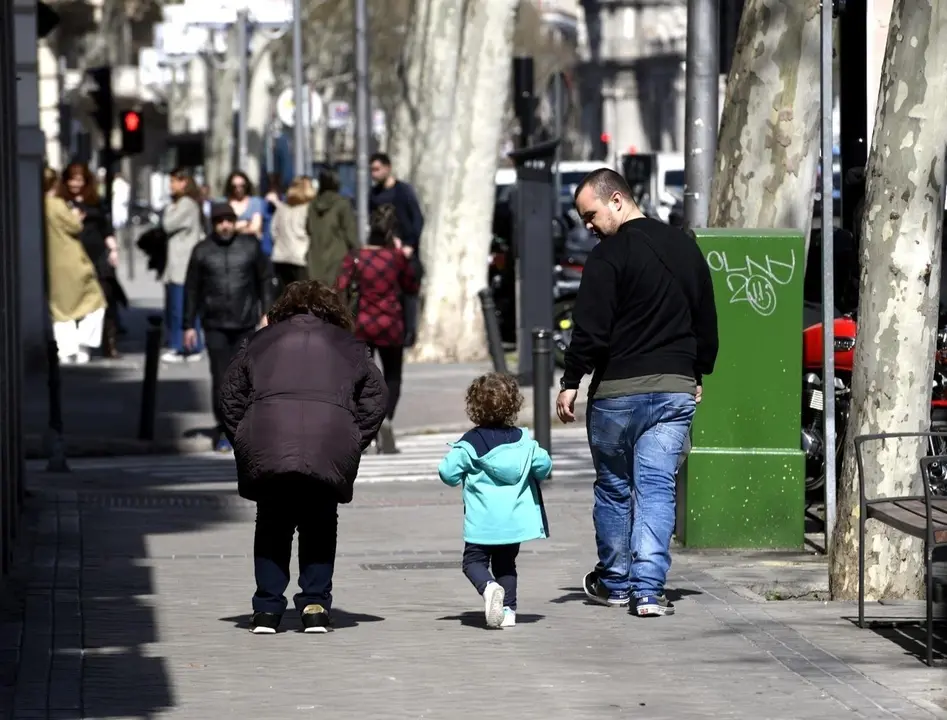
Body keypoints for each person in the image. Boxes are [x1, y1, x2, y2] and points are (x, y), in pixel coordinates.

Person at [556, 168, 718, 617]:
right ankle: (648, 591)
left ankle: (615, 582)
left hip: (617, 394)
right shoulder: (686, 248)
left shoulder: (608, 258)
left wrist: (572, 381)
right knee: (656, 488)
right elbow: (705, 318)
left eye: (591, 214)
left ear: (617, 201)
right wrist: (698, 371)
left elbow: (590, 328)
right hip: (674, 391)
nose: (587, 226)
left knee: (614, 487)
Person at [219, 280, 388, 634]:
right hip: (328, 441)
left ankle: (266, 609)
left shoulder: (260, 341)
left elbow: (230, 395)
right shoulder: (351, 347)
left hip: (269, 440)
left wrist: (246, 436)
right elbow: (375, 398)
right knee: (320, 522)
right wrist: (352, 438)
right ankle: (314, 605)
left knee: (271, 523)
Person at [438, 373, 552, 629]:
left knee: (473, 563)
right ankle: (509, 612)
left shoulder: (470, 443)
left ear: (474, 407)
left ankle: (488, 588)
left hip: (482, 523)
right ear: (513, 405)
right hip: (513, 523)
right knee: (506, 564)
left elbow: (447, 473)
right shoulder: (524, 442)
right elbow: (544, 465)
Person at [183, 202, 276, 452]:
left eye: (228, 220)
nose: (225, 225)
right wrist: (188, 324)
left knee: (244, 378)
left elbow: (265, 279)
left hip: (245, 323)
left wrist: (266, 312)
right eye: (220, 220)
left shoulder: (250, 247)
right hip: (214, 324)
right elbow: (191, 289)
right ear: (213, 224)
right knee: (221, 379)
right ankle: (225, 429)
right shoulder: (202, 251)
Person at [335, 204, 419, 454]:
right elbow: (411, 286)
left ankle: (365, 426)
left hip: (363, 324)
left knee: (361, 377)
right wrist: (403, 254)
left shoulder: (356, 256)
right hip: (391, 324)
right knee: (393, 375)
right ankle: (387, 420)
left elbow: (340, 285)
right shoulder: (396, 258)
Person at [59, 162, 126, 359]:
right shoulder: (61, 202)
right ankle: (77, 346)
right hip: (73, 258)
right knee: (76, 300)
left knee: (105, 298)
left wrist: (113, 249)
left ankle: (109, 345)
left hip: (97, 257)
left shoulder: (95, 201)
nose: (75, 184)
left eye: (79, 179)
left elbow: (106, 228)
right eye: (72, 179)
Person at [43, 167, 107, 364]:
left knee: (62, 309)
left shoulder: (38, 204)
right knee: (96, 302)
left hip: (52, 263)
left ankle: (65, 350)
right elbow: (74, 225)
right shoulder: (55, 204)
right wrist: (77, 217)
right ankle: (81, 345)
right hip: (71, 261)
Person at [369, 153, 425, 347]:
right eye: (371, 170)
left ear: (388, 167)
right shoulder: (374, 194)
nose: (373, 174)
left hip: (407, 252)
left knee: (409, 293)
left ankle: (410, 334)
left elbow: (417, 219)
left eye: (377, 169)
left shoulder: (403, 191)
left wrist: (409, 244)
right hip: (385, 253)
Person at [161, 168, 205, 363]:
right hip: (179, 263)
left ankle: (181, 346)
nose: (171, 185)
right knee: (184, 306)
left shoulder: (186, 204)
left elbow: (167, 224)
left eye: (174, 181)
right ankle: (190, 346)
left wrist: (168, 208)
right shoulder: (188, 203)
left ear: (184, 182)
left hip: (182, 264)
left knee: (180, 307)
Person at [306, 169, 359, 286]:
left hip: (315, 258)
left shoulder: (312, 205)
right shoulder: (342, 204)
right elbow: (350, 232)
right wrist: (358, 253)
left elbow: (309, 229)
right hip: (337, 257)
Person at [270, 176, 314, 293]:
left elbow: (273, 231)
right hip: (301, 258)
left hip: (281, 257)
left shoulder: (282, 208)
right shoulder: (308, 209)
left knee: (284, 298)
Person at [224, 170, 264, 241]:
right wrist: (246, 223)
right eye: (234, 186)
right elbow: (223, 229)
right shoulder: (225, 203)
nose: (238, 189)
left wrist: (233, 228)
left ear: (247, 185)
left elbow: (255, 228)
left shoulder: (255, 202)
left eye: (242, 186)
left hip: (251, 244)